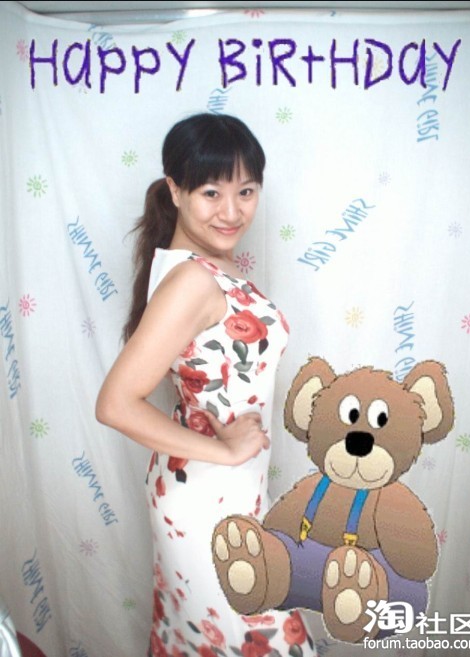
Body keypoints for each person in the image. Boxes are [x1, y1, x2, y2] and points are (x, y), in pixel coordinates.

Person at [96, 113, 317, 657]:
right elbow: (116, 404)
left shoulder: (204, 266)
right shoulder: (193, 279)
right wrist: (225, 451)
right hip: (207, 498)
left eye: (247, 191)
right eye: (212, 192)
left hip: (224, 491)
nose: (232, 211)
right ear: (175, 190)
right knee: (261, 640)